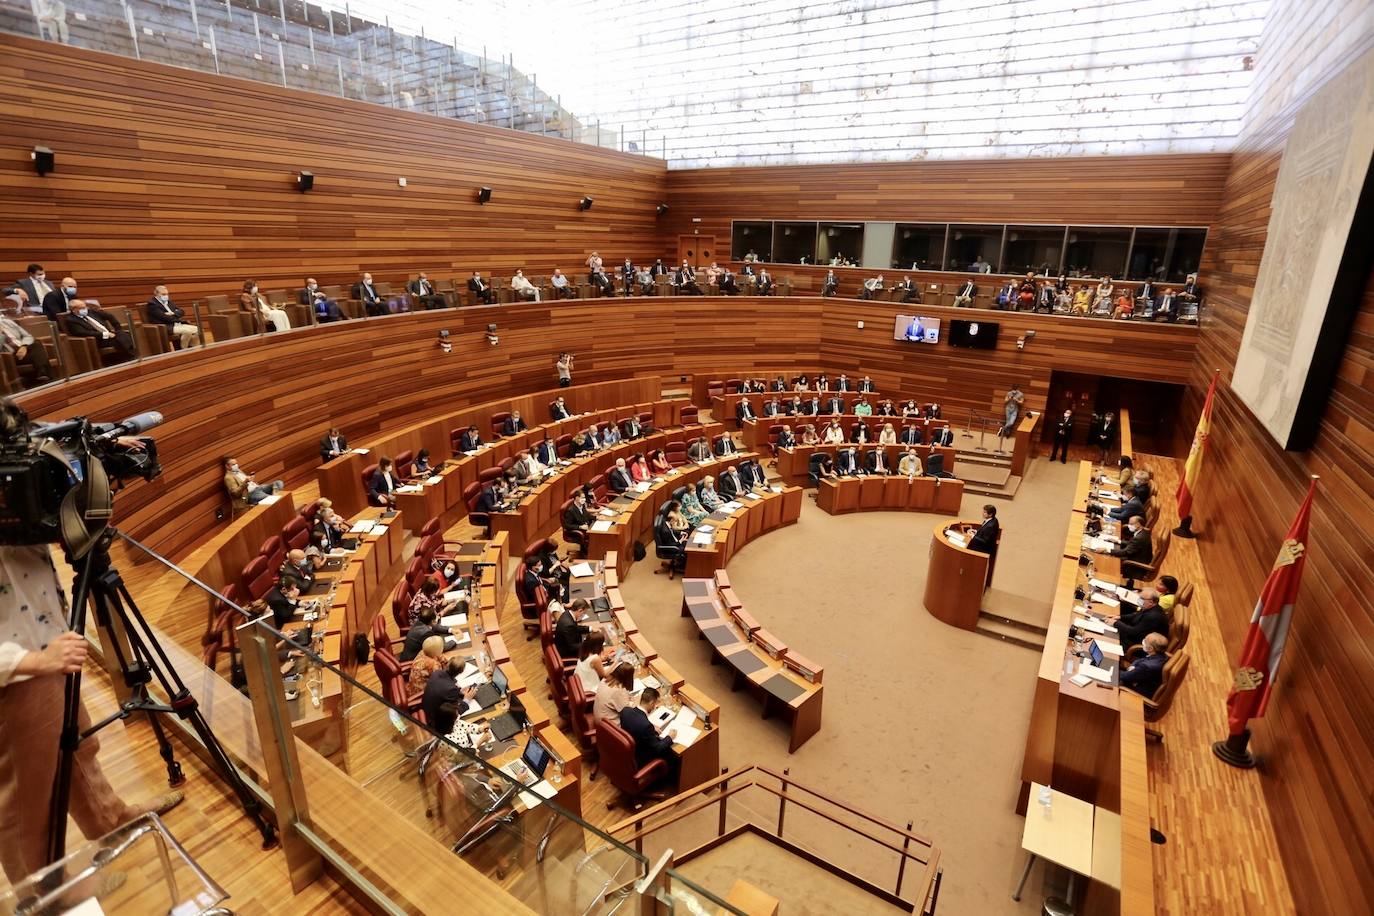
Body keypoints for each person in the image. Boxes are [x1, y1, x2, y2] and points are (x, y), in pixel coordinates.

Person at [0, 542, 186, 884]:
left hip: (45, 640)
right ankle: (43, 896)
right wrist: (33, 662)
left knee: (79, 750)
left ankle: (110, 820)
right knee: (27, 801)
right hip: (13, 671)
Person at [619, 687, 680, 788]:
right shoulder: (646, 726)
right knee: (672, 754)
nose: (655, 706)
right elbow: (657, 749)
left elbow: (637, 723)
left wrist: (650, 725)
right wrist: (670, 737)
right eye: (655, 704)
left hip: (627, 752)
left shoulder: (626, 711)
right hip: (640, 758)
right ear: (652, 703)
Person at [421, 659, 479, 737]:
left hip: (425, 709)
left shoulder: (437, 673)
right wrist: (466, 700)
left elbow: (442, 691)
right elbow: (453, 713)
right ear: (461, 672)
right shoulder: (451, 689)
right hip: (436, 723)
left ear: (447, 664)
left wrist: (459, 692)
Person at [62, 299, 135, 360]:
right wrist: (105, 334)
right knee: (120, 339)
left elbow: (109, 316)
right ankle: (131, 357)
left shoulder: (90, 312)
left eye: (85, 307)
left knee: (123, 334)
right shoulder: (71, 320)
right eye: (82, 308)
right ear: (74, 310)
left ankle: (131, 356)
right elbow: (82, 332)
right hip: (97, 339)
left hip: (110, 334)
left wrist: (118, 328)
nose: (85, 309)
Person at [0, 307, 52, 383]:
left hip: (23, 349)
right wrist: (1, 334)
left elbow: (28, 336)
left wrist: (24, 346)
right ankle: (43, 374)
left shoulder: (7, 322)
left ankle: (42, 375)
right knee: (37, 345)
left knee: (36, 343)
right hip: (10, 356)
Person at [1120, 633, 1170, 697]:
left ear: (1150, 648)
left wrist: (1113, 670)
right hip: (1137, 678)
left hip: (1135, 691)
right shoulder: (1161, 656)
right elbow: (1140, 660)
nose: (1143, 641)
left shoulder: (1146, 667)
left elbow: (1125, 677)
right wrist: (1133, 666)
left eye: (1145, 641)